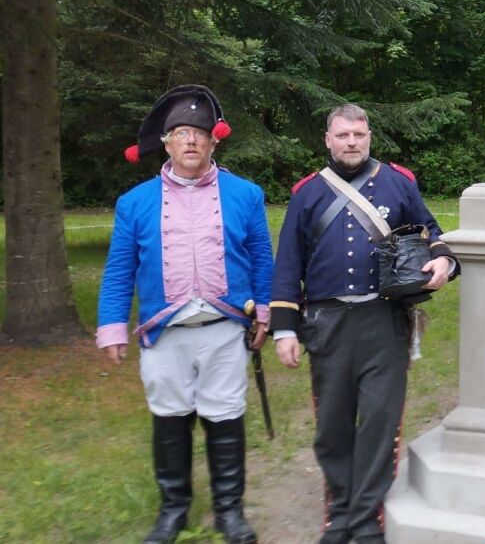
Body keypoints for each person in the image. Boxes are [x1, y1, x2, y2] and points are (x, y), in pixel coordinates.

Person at [270, 103, 459, 544]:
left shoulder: (398, 183)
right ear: (328, 140)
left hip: (384, 320)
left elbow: (432, 232)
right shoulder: (307, 193)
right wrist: (284, 328)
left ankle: (366, 520)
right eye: (342, 135)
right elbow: (288, 264)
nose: (351, 142)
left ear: (369, 136)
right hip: (327, 322)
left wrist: (444, 260)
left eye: (358, 134)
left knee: (379, 421)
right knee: (332, 425)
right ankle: (339, 516)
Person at [97, 85, 272, 544]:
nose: (190, 141)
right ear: (167, 142)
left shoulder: (246, 194)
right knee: (170, 418)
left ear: (213, 141)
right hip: (164, 332)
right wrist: (111, 326)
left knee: (225, 417)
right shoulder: (133, 203)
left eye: (198, 133)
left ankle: (230, 512)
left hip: (223, 328)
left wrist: (267, 310)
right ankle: (172, 511)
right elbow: (119, 270)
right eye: (181, 133)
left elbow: (260, 257)